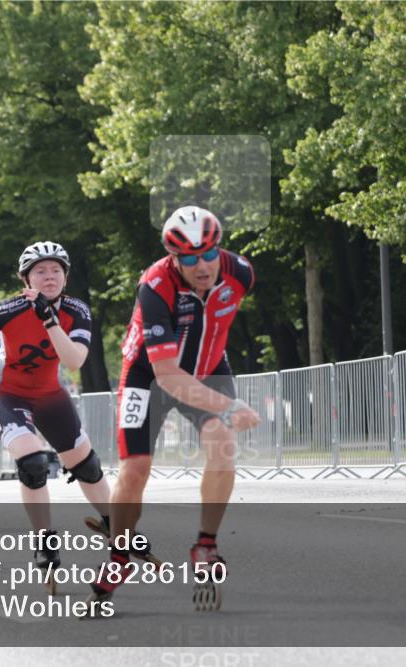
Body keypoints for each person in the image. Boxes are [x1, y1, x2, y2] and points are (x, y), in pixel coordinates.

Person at [0, 243, 152, 586]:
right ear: (26, 279)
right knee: (32, 463)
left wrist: (50, 321)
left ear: (66, 277)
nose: (49, 277)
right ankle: (45, 541)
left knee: (87, 465)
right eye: (40, 271)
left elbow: (75, 360)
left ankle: (113, 523)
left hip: (49, 394)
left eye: (56, 271)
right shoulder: (12, 307)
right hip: (4, 393)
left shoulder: (77, 310)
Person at [86, 206, 260, 613]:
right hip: (149, 372)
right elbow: (167, 375)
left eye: (208, 254)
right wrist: (230, 404)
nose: (201, 266)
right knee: (135, 469)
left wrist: (221, 402)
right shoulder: (155, 287)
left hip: (207, 366)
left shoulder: (242, 273)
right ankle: (120, 556)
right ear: (173, 259)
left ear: (219, 248)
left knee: (222, 445)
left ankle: (206, 546)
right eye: (188, 258)